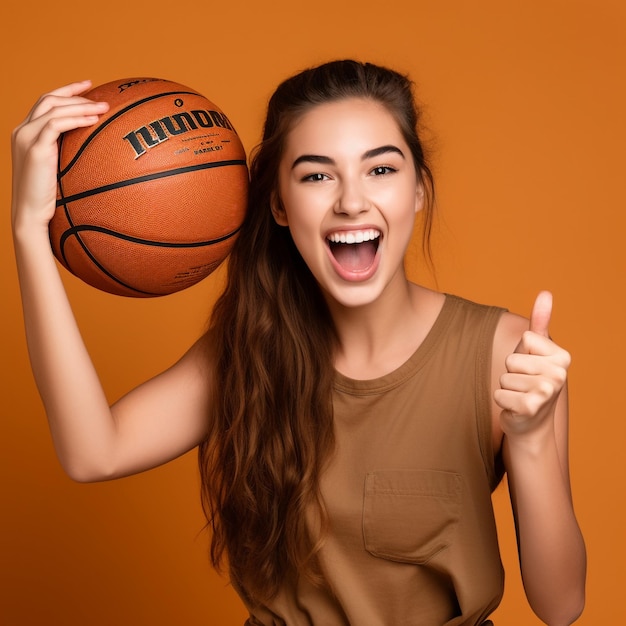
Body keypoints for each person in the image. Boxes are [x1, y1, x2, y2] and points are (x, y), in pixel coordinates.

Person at [11, 60, 586, 625]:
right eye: (317, 175)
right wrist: (29, 232)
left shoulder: (508, 357)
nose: (352, 201)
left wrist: (531, 439)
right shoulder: (249, 351)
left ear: (418, 191)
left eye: (381, 170)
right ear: (280, 205)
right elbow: (93, 452)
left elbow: (561, 607)